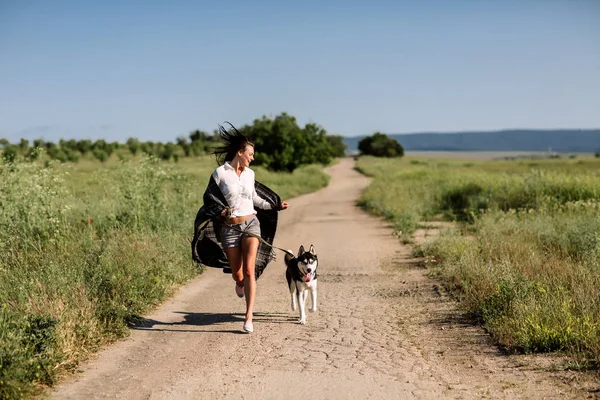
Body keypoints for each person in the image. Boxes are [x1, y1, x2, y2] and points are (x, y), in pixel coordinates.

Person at [208, 123, 288, 333]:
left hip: (251, 223)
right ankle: (239, 282)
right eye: (250, 154)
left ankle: (248, 316)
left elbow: (255, 199)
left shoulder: (250, 175)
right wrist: (220, 212)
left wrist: (275, 205)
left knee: (250, 270)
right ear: (240, 152)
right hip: (230, 229)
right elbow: (210, 200)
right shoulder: (219, 174)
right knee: (238, 273)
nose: (252, 158)